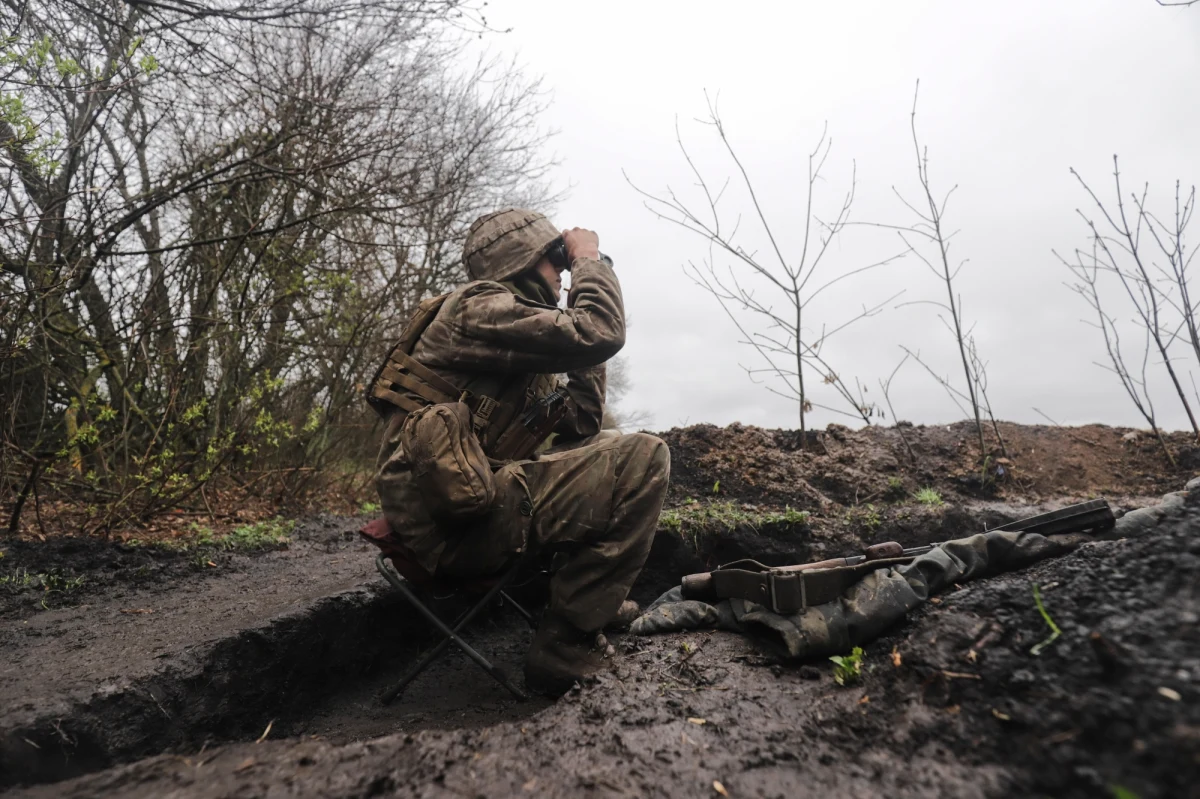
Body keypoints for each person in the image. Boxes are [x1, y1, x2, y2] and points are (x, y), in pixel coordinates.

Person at [370, 208, 671, 696]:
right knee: (645, 457)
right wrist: (592, 261)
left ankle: (591, 598)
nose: (564, 267)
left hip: (474, 505)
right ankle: (566, 647)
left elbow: (580, 422)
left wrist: (577, 321)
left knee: (613, 445)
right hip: (451, 525)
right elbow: (601, 331)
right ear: (523, 261)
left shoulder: (514, 344)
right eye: (558, 259)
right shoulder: (475, 310)